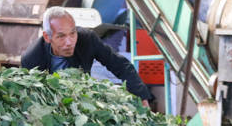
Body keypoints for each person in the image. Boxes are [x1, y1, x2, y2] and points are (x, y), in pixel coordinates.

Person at [21, 6, 153, 107]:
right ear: (47, 37)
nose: (69, 42)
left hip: (82, 100)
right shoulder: (32, 59)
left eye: (72, 33)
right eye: (61, 36)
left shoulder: (87, 39)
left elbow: (120, 65)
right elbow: (31, 98)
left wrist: (141, 96)